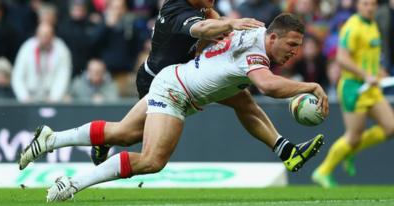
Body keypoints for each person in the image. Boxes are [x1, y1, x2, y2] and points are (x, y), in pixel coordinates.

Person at [18, 13, 329, 202]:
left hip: (176, 79)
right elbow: (269, 86)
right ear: (272, 37)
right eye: (290, 44)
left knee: (124, 134)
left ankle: (51, 139)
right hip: (175, 92)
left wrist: (209, 70)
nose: (294, 52)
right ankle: (73, 184)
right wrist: (311, 86)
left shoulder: (249, 30)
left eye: (299, 46)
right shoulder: (255, 49)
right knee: (153, 161)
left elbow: (215, 49)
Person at [90, 0, 280, 165]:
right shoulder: (176, 9)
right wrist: (231, 24)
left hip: (181, 79)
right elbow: (203, 28)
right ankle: (104, 139)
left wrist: (228, 28)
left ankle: (282, 147)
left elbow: (216, 22)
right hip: (155, 80)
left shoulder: (203, 8)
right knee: (132, 135)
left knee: (243, 99)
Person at [312, 0, 394, 188]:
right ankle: (323, 171)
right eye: (365, 4)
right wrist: (365, 74)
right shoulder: (352, 26)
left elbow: (368, 57)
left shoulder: (372, 24)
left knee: (390, 127)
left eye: (372, 4)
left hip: (371, 87)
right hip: (354, 88)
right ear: (358, 6)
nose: (369, 7)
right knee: (353, 135)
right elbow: (341, 58)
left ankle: (350, 150)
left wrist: (379, 71)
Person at [11, 22, 72, 103]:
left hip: (52, 96)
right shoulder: (27, 48)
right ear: (36, 35)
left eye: (47, 36)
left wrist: (54, 98)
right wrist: (24, 97)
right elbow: (17, 76)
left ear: (53, 36)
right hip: (29, 95)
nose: (44, 39)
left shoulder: (61, 49)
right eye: (41, 36)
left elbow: (63, 76)